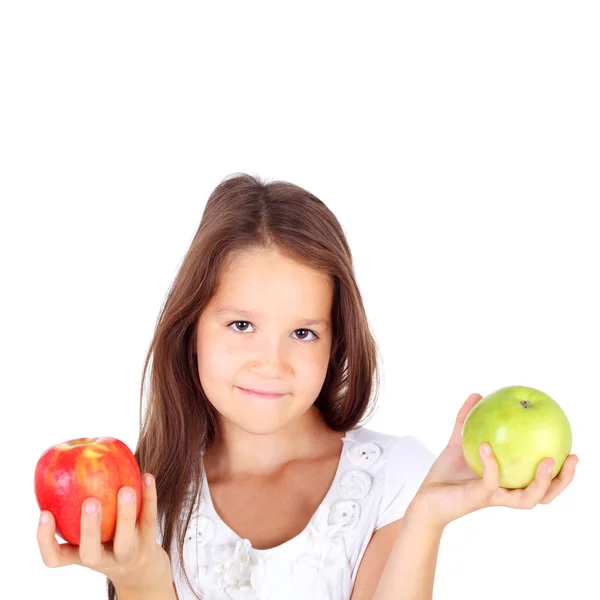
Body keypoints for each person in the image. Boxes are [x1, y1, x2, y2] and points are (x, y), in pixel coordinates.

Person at [36, 173, 579, 600]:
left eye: (302, 332)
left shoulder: (394, 479)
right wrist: (138, 579)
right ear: (191, 328)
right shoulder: (152, 491)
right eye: (241, 325)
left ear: (335, 341)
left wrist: (426, 518)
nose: (271, 362)